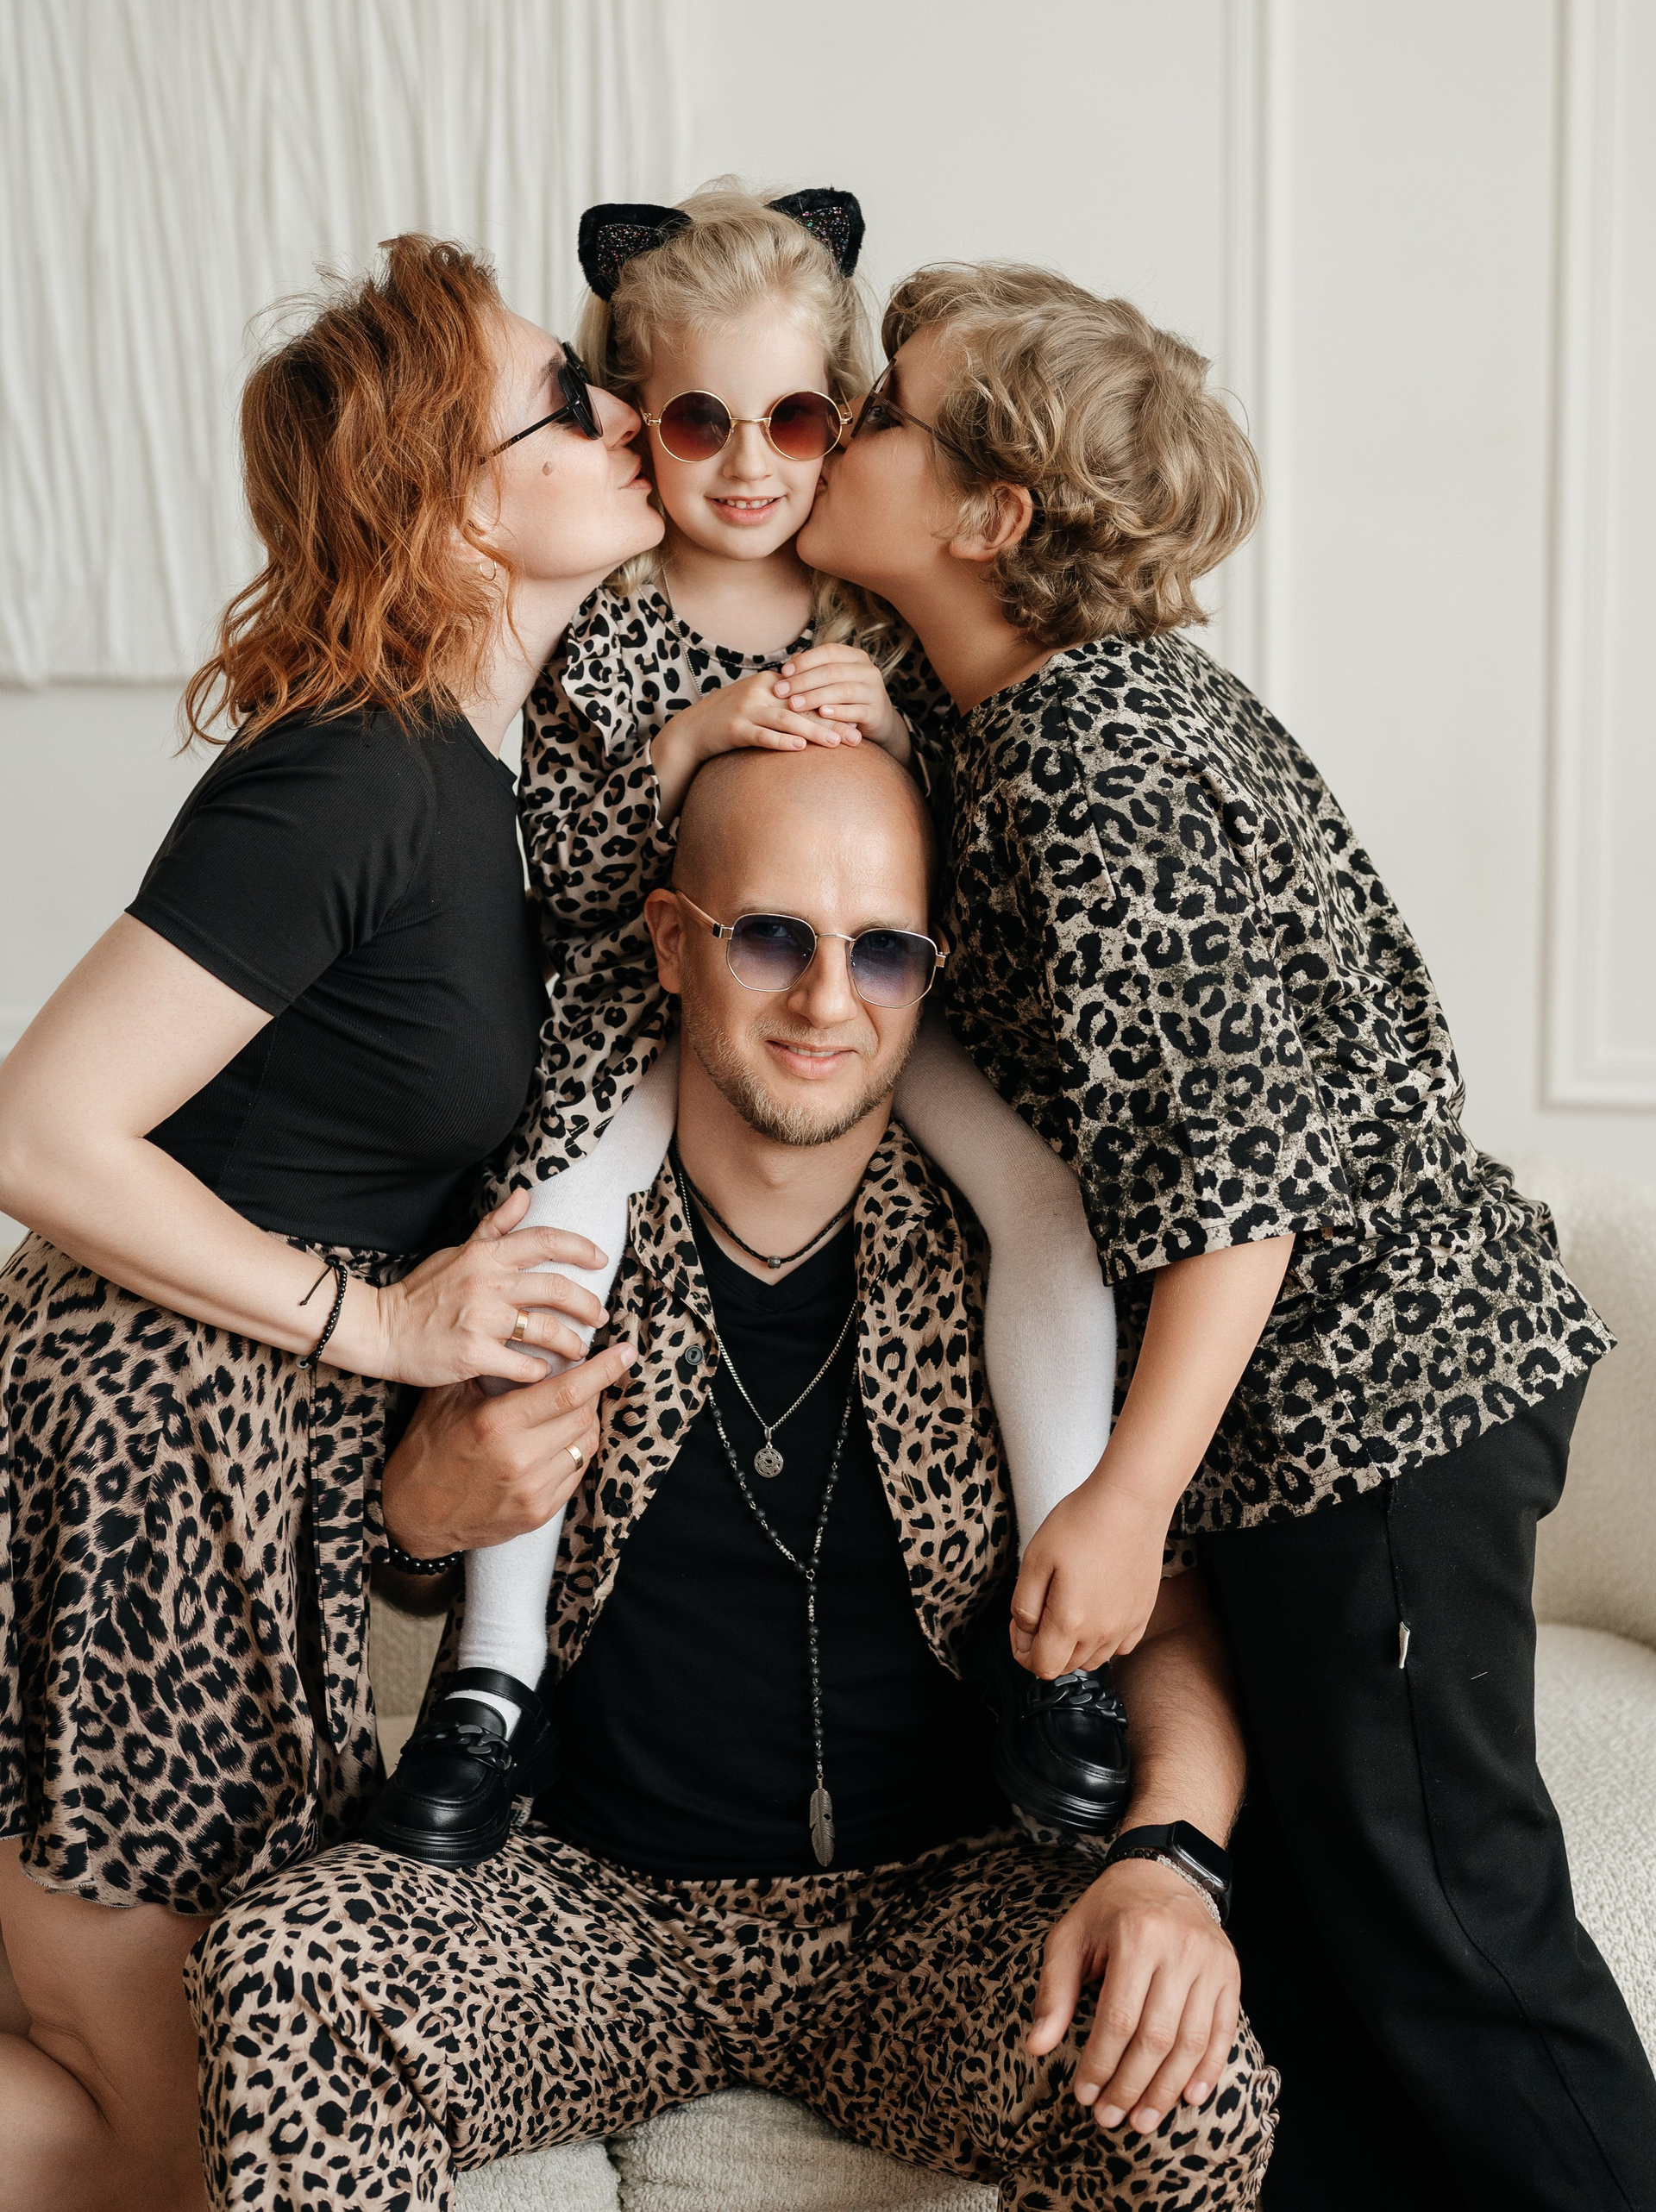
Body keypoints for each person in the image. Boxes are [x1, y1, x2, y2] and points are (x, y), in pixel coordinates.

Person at [795, 263, 1656, 2209]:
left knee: (1455, 1947)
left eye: (883, 410)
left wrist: (1125, 1501)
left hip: (1378, 1414)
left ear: (991, 511)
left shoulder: (1093, 752)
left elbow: (1238, 1183)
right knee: (1328, 1982)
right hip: (1325, 1429)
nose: (840, 426)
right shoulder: (1007, 722)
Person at [188, 740, 1279, 2212]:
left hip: (934, 1910)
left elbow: (1171, 1616)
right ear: (671, 940)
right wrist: (415, 1514)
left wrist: (1170, 1858)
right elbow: (395, 1559)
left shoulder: (1027, 1276)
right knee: (278, 1969)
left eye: (880, 950)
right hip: (585, 1903)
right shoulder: (531, 1233)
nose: (827, 1000)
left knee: (1193, 2086)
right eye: (771, 936)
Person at [0, 236, 654, 2212]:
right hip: (143, 1461)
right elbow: (39, 1128)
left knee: (171, 2111)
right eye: (572, 401)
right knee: (165, 2133)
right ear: (457, 501)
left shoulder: (472, 778)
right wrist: (381, 1332)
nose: (628, 419)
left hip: (233, 1466)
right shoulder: (353, 773)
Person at [367, 185, 1123, 1862]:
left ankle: (1064, 1647)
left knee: (1045, 1200)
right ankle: (491, 1675)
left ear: (841, 417)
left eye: (794, 419)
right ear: (639, 416)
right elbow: (553, 870)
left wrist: (899, 745)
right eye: (700, 421)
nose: (749, 465)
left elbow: (972, 855)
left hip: (867, 1006)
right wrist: (689, 743)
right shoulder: (607, 619)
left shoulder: (873, 613)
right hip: (649, 1016)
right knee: (552, 1242)